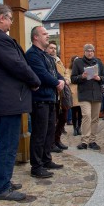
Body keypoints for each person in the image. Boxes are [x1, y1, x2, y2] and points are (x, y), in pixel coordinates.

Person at [0, 3, 41, 201]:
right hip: (5, 102)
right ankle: (1, 187)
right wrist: (35, 81)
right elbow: (17, 65)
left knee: (0, 144)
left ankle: (0, 181)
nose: (12, 22)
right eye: (11, 18)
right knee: (6, 145)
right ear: (1, 18)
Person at [26, 27, 65, 179]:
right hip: (39, 99)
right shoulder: (32, 55)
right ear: (36, 37)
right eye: (44, 34)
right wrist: (57, 83)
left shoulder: (46, 55)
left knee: (49, 132)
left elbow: (55, 72)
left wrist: (61, 79)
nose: (48, 36)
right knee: (39, 134)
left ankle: (46, 160)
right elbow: (42, 74)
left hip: (50, 98)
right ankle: (36, 166)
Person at [71, 44, 104, 150]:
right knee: (86, 116)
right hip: (84, 94)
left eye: (92, 51)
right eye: (88, 51)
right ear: (84, 51)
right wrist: (82, 76)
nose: (90, 52)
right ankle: (84, 141)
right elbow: (73, 78)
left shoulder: (98, 62)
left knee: (95, 118)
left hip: (96, 94)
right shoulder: (78, 62)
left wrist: (99, 78)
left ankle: (92, 141)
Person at [46, 40, 70, 151]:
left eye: (55, 48)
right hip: (53, 94)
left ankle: (57, 139)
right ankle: (51, 143)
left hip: (62, 94)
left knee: (63, 118)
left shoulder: (59, 61)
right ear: (46, 49)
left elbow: (65, 73)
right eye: (51, 48)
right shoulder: (46, 60)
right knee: (52, 121)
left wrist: (66, 78)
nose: (53, 50)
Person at [69, 56, 82, 136]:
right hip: (73, 93)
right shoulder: (69, 70)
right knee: (74, 112)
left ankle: (79, 128)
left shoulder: (81, 70)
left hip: (81, 92)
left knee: (80, 112)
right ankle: (74, 128)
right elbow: (68, 79)